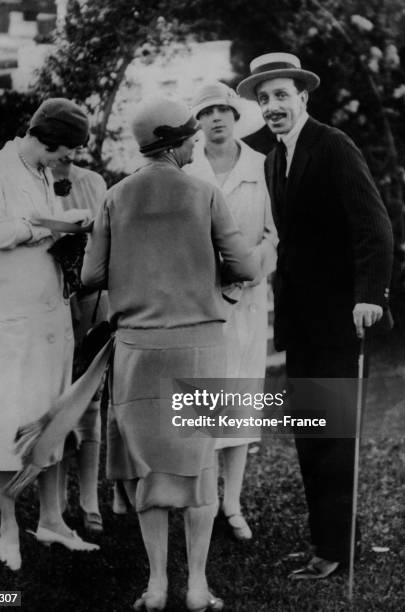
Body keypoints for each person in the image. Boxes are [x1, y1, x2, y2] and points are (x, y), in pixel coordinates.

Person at [81, 96, 261, 611]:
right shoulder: (203, 193)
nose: (196, 142)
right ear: (177, 141)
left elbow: (93, 277)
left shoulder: (115, 197)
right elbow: (245, 266)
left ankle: (157, 584)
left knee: (148, 470)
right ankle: (198, 585)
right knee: (199, 470)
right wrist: (217, 280)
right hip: (199, 351)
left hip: (137, 351)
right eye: (190, 136)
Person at [237, 53, 394, 578]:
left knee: (333, 440)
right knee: (312, 433)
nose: (272, 106)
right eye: (263, 99)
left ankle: (333, 550)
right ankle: (327, 543)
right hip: (302, 321)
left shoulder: (333, 145)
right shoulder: (272, 157)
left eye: (281, 95)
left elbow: (374, 226)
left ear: (303, 97)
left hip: (343, 320)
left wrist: (369, 294)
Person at [0, 98, 100, 571]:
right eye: (62, 153)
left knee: (54, 419)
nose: (64, 163)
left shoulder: (42, 173)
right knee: (9, 421)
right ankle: (9, 525)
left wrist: (67, 232)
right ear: (43, 140)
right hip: (14, 320)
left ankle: (53, 520)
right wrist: (49, 226)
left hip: (51, 316)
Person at [186, 81, 277, 540]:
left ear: (236, 116)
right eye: (207, 112)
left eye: (224, 110)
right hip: (199, 302)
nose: (217, 118)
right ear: (196, 121)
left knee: (239, 401)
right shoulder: (185, 169)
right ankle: (199, 497)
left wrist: (252, 269)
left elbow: (273, 234)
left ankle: (232, 503)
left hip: (246, 299)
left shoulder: (263, 166)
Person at [52, 155, 108, 533]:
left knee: (90, 397)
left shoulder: (93, 182)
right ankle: (56, 499)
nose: (64, 151)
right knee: (54, 398)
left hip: (90, 296)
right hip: (50, 301)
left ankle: (89, 499)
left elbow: (105, 238)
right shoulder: (33, 182)